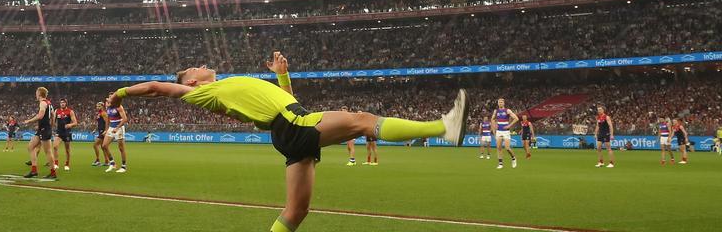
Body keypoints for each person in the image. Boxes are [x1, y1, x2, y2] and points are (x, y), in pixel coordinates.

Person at [106, 52, 468, 232]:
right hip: (292, 126)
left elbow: (291, 102)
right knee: (362, 121)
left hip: (290, 126)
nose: (201, 66)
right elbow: (155, 88)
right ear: (193, 82)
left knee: (295, 213)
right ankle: (443, 128)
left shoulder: (222, 86)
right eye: (194, 69)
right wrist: (120, 93)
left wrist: (283, 75)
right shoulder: (202, 93)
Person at [22, 86, 58, 179]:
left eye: (36, 93)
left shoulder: (42, 103)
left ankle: (53, 173)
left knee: (48, 152)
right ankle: (34, 170)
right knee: (30, 147)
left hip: (44, 129)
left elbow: (41, 115)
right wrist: (51, 125)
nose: (35, 95)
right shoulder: (49, 103)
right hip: (43, 129)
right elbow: (53, 116)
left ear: (39, 94)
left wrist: (29, 120)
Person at [101, 95, 129, 173]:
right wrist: (106, 130)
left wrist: (117, 128)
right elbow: (108, 119)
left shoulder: (119, 107)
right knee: (104, 146)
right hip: (111, 127)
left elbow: (125, 119)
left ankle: (123, 166)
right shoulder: (108, 107)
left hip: (119, 128)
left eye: (110, 97)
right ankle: (112, 163)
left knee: (121, 148)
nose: (108, 99)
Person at [491, 99, 520, 169]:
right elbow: (492, 119)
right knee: (499, 148)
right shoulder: (496, 111)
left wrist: (509, 126)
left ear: (504, 103)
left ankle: (513, 158)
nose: (500, 103)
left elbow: (516, 118)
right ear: (498, 103)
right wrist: (494, 125)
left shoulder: (507, 110)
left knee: (507, 148)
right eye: (499, 102)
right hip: (499, 131)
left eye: (501, 102)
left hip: (506, 131)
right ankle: (500, 163)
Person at [53, 98, 78, 170]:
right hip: (59, 132)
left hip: (67, 132)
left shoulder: (70, 111)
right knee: (55, 146)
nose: (62, 104)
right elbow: (53, 121)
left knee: (67, 149)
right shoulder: (56, 111)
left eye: (63, 102)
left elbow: (75, 122)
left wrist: (70, 125)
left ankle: (67, 164)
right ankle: (56, 163)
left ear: (66, 103)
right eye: (61, 103)